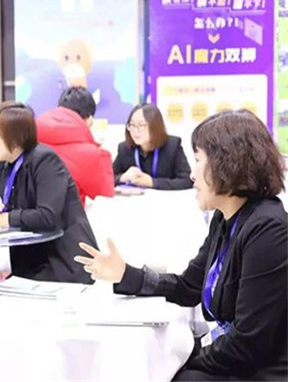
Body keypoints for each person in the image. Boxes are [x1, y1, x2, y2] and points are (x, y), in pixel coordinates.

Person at [75, 110, 287, 381]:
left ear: (230, 164)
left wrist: (183, 362)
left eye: (199, 161)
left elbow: (248, 344)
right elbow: (188, 287)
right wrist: (125, 274)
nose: (192, 175)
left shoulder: (268, 230)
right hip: (236, 361)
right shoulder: (226, 219)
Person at [0, 101, 98, 284]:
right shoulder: (3, 163)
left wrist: (1, 219)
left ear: (15, 136)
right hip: (29, 265)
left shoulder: (45, 161)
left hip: (64, 264)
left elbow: (47, 216)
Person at [36, 86, 114, 202]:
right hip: (70, 213)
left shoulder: (30, 140)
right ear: (89, 119)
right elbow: (105, 196)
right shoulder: (93, 155)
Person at [113, 104, 192, 190]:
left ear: (155, 126)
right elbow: (108, 178)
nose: (135, 130)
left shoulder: (172, 146)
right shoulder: (125, 148)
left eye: (141, 125)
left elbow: (187, 181)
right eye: (132, 125)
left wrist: (152, 182)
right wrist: (122, 177)